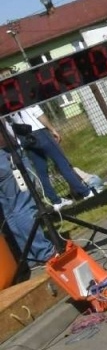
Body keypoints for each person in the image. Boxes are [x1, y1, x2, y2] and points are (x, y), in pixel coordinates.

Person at [6, 103, 104, 208]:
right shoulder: (24, 100)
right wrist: (52, 129)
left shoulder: (6, 107)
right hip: (38, 131)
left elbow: (8, 126)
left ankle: (55, 201)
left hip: (23, 137)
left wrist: (19, 141)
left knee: (41, 171)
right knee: (63, 164)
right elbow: (39, 114)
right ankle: (85, 192)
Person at [0, 118, 55, 276]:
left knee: (10, 211)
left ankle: (30, 256)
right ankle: (44, 252)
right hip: (5, 153)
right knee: (23, 206)